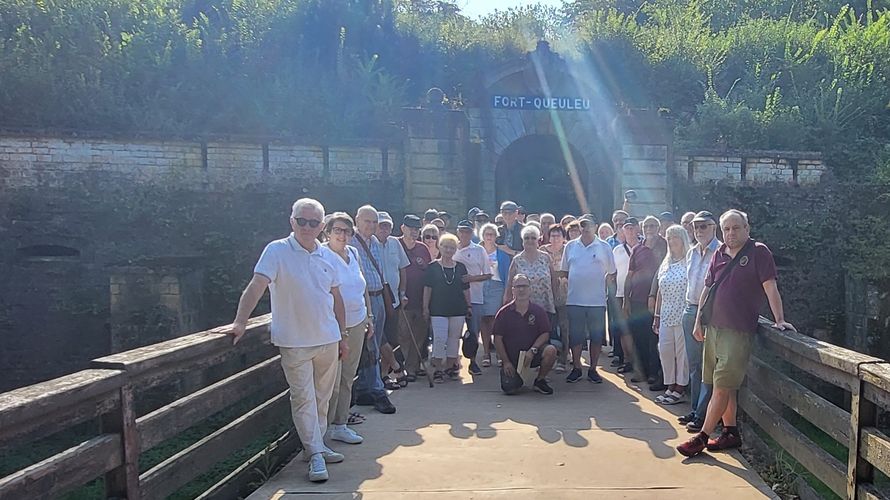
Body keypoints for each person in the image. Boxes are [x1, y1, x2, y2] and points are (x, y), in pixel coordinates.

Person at [230, 198, 347, 483]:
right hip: (294, 341)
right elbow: (257, 285)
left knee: (322, 398)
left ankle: (315, 446)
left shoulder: (328, 256)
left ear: (322, 226)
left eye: (313, 222)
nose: (306, 227)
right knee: (304, 398)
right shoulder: (277, 251)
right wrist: (240, 321)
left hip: (327, 338)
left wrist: (342, 335)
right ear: (291, 221)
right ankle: (316, 453)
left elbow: (336, 298)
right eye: (301, 221)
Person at [677, 210, 795, 457]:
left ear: (746, 228)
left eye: (736, 228)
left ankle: (702, 436)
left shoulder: (758, 252)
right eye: (727, 229)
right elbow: (707, 289)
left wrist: (780, 319)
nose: (731, 233)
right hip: (715, 328)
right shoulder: (719, 253)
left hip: (738, 330)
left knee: (721, 386)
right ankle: (731, 432)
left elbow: (770, 287)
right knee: (724, 384)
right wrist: (699, 321)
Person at [321, 213, 372, 446]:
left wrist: (369, 316)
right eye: (337, 230)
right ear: (328, 232)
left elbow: (363, 287)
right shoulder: (321, 255)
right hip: (333, 327)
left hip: (358, 321)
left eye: (347, 231)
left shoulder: (353, 253)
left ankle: (340, 424)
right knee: (329, 382)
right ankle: (323, 431)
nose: (342, 235)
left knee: (348, 377)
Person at [559, 214, 617, 384]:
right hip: (574, 299)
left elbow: (612, 272)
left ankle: (593, 369)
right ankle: (577, 367)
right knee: (576, 336)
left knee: (596, 336)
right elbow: (564, 271)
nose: (585, 228)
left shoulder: (605, 247)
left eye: (589, 225)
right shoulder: (570, 246)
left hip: (596, 301)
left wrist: (605, 287)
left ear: (596, 226)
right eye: (582, 225)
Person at [350, 205, 396, 414]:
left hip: (378, 296)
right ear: (357, 221)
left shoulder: (375, 242)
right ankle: (377, 391)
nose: (371, 225)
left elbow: (380, 270)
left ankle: (364, 389)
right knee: (370, 347)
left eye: (374, 222)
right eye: (367, 221)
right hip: (363, 299)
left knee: (374, 345)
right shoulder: (350, 242)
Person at [679, 211, 721, 432]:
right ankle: (696, 409)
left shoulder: (721, 251)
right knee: (694, 364)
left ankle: (703, 414)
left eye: (704, 226)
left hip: (709, 313)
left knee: (708, 366)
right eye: (696, 227)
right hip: (689, 309)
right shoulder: (692, 252)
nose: (699, 230)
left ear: (714, 227)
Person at [493, 274, 558, 395]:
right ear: (512, 290)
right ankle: (514, 376)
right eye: (517, 287)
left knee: (551, 350)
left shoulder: (538, 311)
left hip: (532, 355)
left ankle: (540, 380)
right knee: (510, 390)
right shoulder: (503, 313)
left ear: (530, 289)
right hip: (511, 358)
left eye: (524, 286)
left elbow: (545, 334)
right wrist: (506, 361)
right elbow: (497, 339)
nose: (521, 290)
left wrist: (533, 350)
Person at [422, 233, 472, 383]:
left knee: (454, 339)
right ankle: (438, 369)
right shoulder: (432, 267)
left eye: (452, 247)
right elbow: (427, 288)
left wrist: (469, 306)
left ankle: (450, 367)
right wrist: (425, 307)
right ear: (440, 247)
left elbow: (466, 288)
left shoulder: (461, 268)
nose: (448, 250)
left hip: (457, 308)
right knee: (439, 338)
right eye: (445, 247)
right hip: (438, 309)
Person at [652, 225, 691, 405]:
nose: (672, 240)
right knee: (665, 350)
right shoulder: (666, 262)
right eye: (669, 237)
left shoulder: (690, 260)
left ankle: (680, 388)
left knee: (681, 353)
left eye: (675, 237)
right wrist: (657, 315)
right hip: (666, 313)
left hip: (682, 313)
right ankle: (670, 385)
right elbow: (660, 290)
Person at [625, 216, 663, 388]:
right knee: (639, 336)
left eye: (653, 225)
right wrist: (626, 299)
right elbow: (630, 275)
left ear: (658, 227)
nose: (650, 228)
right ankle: (641, 371)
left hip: (658, 300)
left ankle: (654, 373)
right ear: (641, 228)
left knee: (654, 337)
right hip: (637, 299)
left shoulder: (665, 245)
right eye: (646, 225)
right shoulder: (637, 249)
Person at [376, 211, 410, 388]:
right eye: (381, 225)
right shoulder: (369, 244)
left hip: (394, 300)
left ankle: (383, 375)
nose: (384, 228)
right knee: (380, 339)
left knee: (390, 338)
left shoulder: (395, 243)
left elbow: (403, 269)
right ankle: (396, 367)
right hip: (375, 299)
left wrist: (403, 293)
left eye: (387, 225)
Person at [455, 220, 492, 376]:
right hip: (454, 298)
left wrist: (472, 279)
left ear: (472, 233)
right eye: (462, 231)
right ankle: (454, 361)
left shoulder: (479, 250)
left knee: (473, 331)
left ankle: (473, 362)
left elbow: (489, 274)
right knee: (455, 331)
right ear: (458, 232)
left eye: (468, 232)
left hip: (475, 297)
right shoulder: (450, 247)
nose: (464, 234)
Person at [398, 215, 432, 382]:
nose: (414, 232)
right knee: (403, 335)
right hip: (401, 301)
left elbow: (429, 274)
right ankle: (406, 366)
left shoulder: (423, 248)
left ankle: (411, 368)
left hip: (420, 300)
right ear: (402, 228)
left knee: (418, 336)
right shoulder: (395, 245)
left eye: (416, 229)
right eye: (410, 228)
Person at [504, 225, 557, 325]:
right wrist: (507, 301)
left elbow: (553, 280)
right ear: (522, 240)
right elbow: (510, 283)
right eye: (527, 238)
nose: (530, 240)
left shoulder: (545, 257)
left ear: (538, 240)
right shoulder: (517, 260)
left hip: (545, 305)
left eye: (533, 238)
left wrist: (555, 299)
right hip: (523, 306)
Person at [611, 218, 640, 373]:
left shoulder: (643, 247)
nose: (629, 231)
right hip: (621, 294)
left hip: (639, 295)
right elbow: (612, 273)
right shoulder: (617, 250)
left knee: (638, 329)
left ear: (638, 229)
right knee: (624, 330)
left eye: (632, 227)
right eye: (626, 228)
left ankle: (639, 362)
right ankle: (628, 360)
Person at [480, 222, 509, 368]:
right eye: (487, 234)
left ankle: (498, 352)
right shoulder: (477, 251)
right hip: (480, 286)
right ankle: (485, 353)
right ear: (482, 236)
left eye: (492, 234)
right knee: (483, 320)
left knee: (494, 320)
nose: (489, 237)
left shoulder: (501, 253)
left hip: (497, 286)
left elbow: (506, 274)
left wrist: (506, 292)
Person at [542, 225, 569, 373]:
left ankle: (563, 359)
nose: (555, 238)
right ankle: (546, 357)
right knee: (547, 327)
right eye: (552, 235)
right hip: (546, 294)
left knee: (564, 327)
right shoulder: (543, 252)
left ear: (563, 237)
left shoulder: (568, 250)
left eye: (558, 235)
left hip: (565, 295)